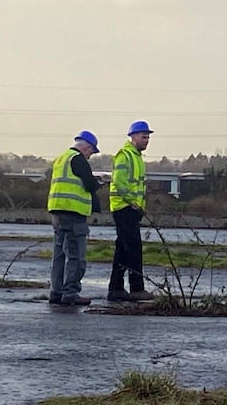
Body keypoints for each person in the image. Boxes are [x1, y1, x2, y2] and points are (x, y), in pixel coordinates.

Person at [47, 130, 102, 306]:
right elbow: (90, 183)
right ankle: (70, 293)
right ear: (86, 147)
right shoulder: (78, 159)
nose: (90, 156)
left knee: (59, 255)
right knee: (76, 255)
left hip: (57, 211)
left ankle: (56, 292)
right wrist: (98, 183)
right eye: (91, 153)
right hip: (73, 212)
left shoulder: (61, 158)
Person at [107, 120, 155, 302]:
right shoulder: (125, 155)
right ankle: (136, 288)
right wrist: (133, 202)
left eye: (148, 137)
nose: (147, 140)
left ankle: (116, 288)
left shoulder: (136, 157)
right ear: (133, 137)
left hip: (132, 209)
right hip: (125, 207)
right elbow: (119, 182)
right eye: (144, 137)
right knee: (133, 249)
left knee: (123, 249)